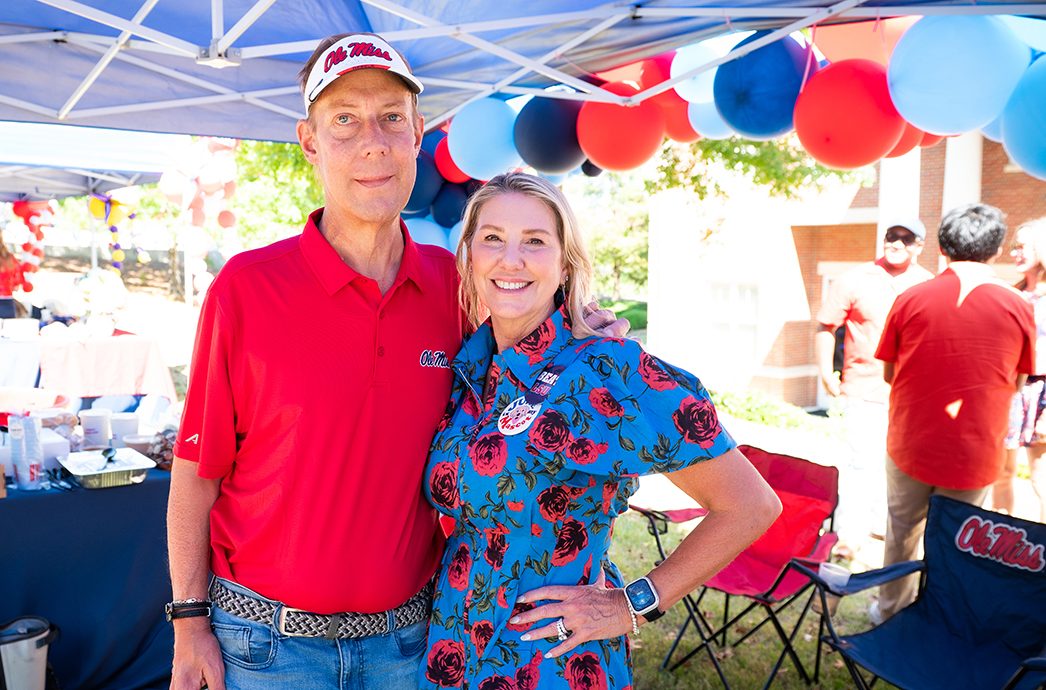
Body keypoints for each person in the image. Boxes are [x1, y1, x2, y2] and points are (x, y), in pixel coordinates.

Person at [167, 34, 627, 690]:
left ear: (418, 133)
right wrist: (189, 624)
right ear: (309, 141)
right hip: (267, 647)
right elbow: (196, 472)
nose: (372, 142)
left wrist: (586, 330)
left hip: (410, 645)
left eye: (390, 118)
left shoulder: (460, 287)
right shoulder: (246, 288)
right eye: (344, 120)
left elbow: (542, 363)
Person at [419, 173, 781, 689]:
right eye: (493, 238)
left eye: (536, 241)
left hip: (548, 661)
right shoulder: (471, 369)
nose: (511, 258)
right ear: (469, 256)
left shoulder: (603, 369)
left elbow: (750, 505)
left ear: (565, 263)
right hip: (452, 649)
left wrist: (631, 605)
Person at [872, 203, 1035, 624]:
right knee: (959, 543)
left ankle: (890, 613)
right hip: (975, 448)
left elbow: (890, 373)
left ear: (942, 246)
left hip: (911, 440)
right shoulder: (1019, 306)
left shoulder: (910, 296)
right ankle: (943, 624)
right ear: (996, 249)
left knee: (902, 533)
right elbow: (1017, 383)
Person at [815, 219, 933, 558]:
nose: (897, 244)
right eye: (891, 237)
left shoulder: (928, 284)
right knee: (862, 461)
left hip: (911, 395)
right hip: (864, 388)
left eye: (906, 239)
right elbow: (826, 326)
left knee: (899, 463)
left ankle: (882, 525)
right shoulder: (855, 279)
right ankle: (849, 535)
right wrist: (826, 372)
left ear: (919, 246)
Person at [997, 218, 1046, 522]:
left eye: (1022, 246)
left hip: (1041, 394)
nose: (1015, 252)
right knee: (1001, 473)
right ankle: (996, 548)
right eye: (1013, 246)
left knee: (1041, 478)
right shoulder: (1010, 294)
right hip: (1008, 392)